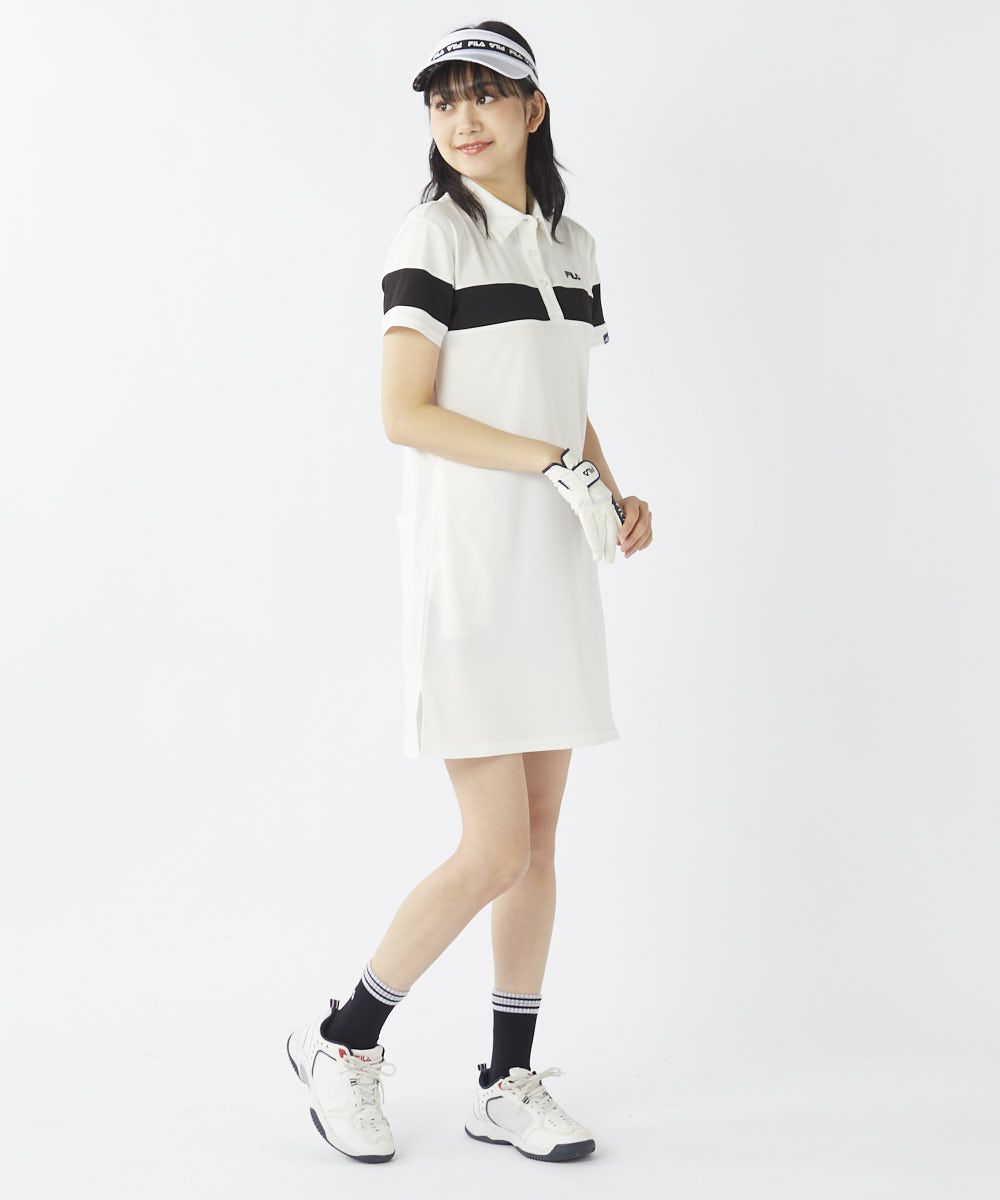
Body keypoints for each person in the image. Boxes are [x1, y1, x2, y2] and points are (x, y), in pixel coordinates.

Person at [286, 19, 653, 1165]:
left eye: (484, 94)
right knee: (492, 849)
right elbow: (406, 413)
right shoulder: (432, 234)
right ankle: (342, 1041)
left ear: (532, 109)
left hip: (555, 567)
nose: (462, 119)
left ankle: (505, 1080)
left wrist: (610, 489)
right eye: (443, 100)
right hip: (473, 573)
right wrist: (550, 465)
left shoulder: (573, 244)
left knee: (538, 846)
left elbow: (560, 396)